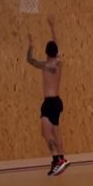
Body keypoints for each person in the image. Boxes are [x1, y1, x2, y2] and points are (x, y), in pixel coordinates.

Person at [26, 17, 69, 176]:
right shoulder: (58, 63)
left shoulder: (45, 65)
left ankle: (56, 159)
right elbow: (57, 44)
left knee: (46, 133)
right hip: (57, 102)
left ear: (46, 53)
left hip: (49, 103)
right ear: (55, 52)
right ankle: (62, 158)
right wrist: (52, 27)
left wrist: (31, 45)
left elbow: (30, 60)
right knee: (55, 131)